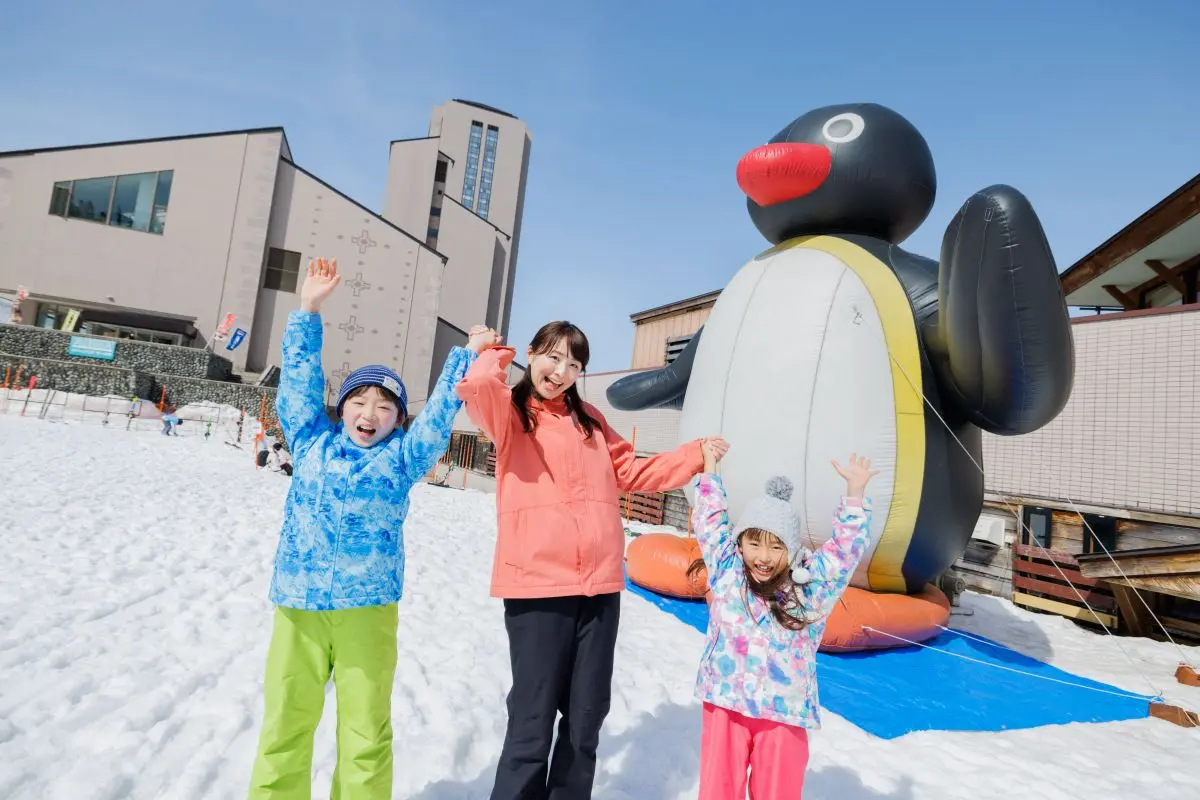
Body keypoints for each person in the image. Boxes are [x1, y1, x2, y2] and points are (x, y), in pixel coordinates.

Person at [247, 257, 491, 799]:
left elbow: (437, 418)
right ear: (344, 408)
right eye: (360, 401)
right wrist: (308, 310)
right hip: (299, 607)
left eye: (385, 407)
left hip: (368, 612)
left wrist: (464, 359)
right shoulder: (311, 441)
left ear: (398, 419)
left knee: (364, 735)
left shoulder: (404, 458)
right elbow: (299, 390)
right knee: (286, 725)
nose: (370, 413)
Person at [454, 321, 726, 800]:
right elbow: (477, 386)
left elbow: (632, 471)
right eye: (552, 358)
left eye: (573, 365)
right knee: (532, 720)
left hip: (599, 588)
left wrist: (693, 456)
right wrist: (494, 350)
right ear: (534, 354)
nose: (560, 372)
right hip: (537, 587)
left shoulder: (591, 421)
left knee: (585, 718)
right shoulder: (511, 414)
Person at [689, 441, 877, 799]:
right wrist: (711, 468)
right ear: (740, 543)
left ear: (792, 551)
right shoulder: (728, 572)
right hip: (725, 702)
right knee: (718, 790)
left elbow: (842, 554)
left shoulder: (809, 590)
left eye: (777, 547)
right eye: (755, 544)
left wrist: (855, 495)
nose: (764, 557)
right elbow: (710, 524)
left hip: (784, 713)